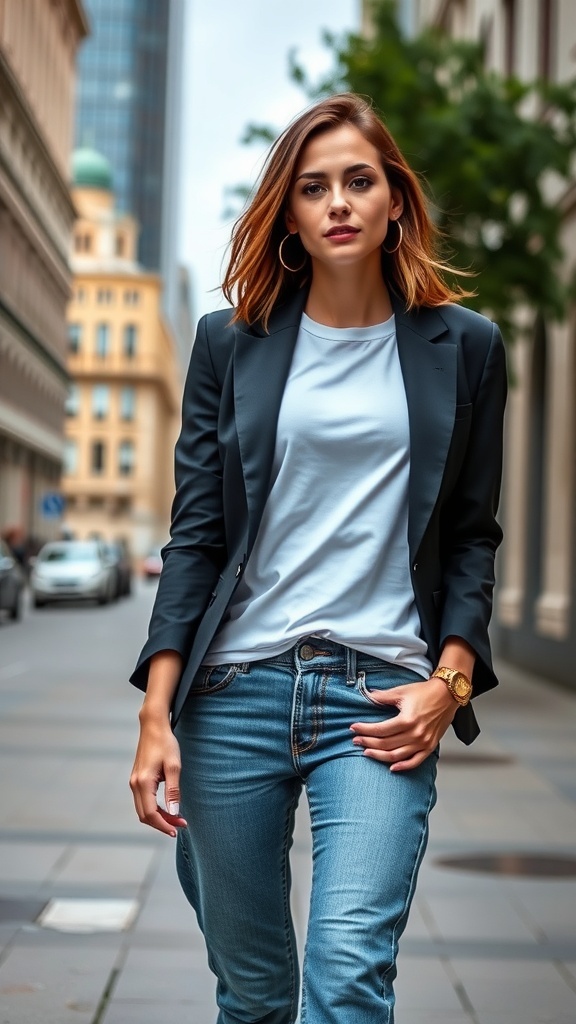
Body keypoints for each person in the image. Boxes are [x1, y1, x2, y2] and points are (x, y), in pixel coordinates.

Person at [129, 93, 507, 1024]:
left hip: (379, 699)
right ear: (290, 213)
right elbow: (197, 536)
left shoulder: (465, 347)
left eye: (358, 181)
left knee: (345, 978)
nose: (338, 201)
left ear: (394, 204)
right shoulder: (231, 344)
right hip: (234, 693)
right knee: (255, 994)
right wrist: (155, 710)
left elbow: (470, 536)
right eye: (313, 186)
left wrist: (447, 687)